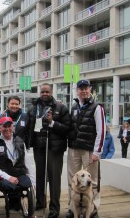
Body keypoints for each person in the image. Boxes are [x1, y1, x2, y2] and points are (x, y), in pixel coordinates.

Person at [27, 83, 70, 218]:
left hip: (54, 149)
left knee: (54, 179)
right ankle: (40, 202)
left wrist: (52, 122)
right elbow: (29, 127)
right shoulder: (33, 108)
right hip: (39, 147)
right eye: (42, 92)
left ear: (51, 92)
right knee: (40, 177)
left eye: (47, 92)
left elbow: (66, 128)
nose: (45, 94)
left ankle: (54, 208)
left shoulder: (60, 108)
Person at [67, 80, 106, 218]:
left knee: (93, 181)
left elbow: (101, 131)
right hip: (73, 148)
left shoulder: (97, 107)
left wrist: (97, 152)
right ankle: (73, 208)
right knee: (73, 179)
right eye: (81, 88)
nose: (84, 91)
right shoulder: (74, 106)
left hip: (89, 150)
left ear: (90, 90)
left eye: (86, 88)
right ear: (77, 90)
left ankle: (93, 209)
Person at [0, 116, 35, 211]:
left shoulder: (20, 141)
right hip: (4, 176)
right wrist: (8, 177)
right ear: (0, 128)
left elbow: (27, 162)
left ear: (13, 126)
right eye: (4, 126)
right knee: (9, 185)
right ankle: (12, 205)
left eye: (9, 126)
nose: (7, 129)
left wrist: (33, 181)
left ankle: (16, 204)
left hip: (18, 173)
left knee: (27, 182)